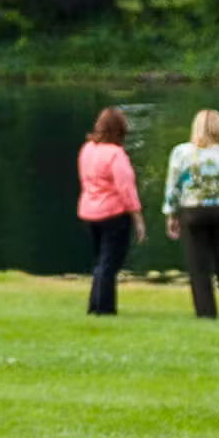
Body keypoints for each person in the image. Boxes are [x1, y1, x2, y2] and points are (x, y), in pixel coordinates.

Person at [163, 109, 219, 319]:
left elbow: (173, 186)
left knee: (198, 263)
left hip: (192, 210)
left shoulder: (182, 152)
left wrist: (171, 214)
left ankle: (205, 311)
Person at [76, 107, 145, 315]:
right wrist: (138, 218)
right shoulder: (116, 154)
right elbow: (126, 188)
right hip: (113, 214)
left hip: (90, 212)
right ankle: (104, 307)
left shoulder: (87, 149)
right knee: (110, 262)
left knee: (102, 261)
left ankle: (95, 304)